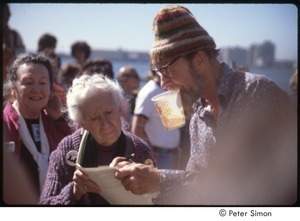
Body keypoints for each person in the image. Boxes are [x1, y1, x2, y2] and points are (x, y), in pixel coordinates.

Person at [112, 5, 297, 205]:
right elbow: (197, 185)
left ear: (199, 59)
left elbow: (252, 183)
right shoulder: (198, 117)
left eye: (167, 70)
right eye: (158, 73)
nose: (164, 83)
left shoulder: (255, 92)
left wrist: (158, 180)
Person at [39, 73, 155, 205]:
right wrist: (74, 192)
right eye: (94, 118)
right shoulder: (67, 150)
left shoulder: (139, 149)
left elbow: (157, 200)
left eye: (109, 112)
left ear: (119, 110)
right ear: (82, 123)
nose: (105, 123)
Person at [3, 53, 72, 198]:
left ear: (51, 87)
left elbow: (78, 151)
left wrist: (61, 116)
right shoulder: (5, 124)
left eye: (42, 82)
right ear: (13, 87)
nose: (36, 89)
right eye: (28, 82)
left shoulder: (56, 122)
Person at [131, 68, 181, 169]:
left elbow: (172, 127)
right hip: (159, 156)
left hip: (170, 155)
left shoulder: (167, 89)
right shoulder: (149, 92)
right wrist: (151, 153)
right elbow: (137, 129)